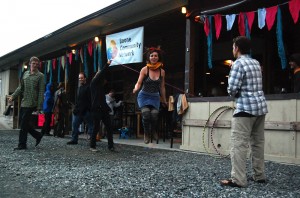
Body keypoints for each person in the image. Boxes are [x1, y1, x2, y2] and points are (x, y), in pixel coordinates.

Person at [220, 36, 268, 188]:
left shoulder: (238, 64)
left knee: (239, 144)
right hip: (260, 108)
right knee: (258, 143)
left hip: (244, 109)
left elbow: (232, 90)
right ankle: (259, 176)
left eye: (233, 47)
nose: (233, 49)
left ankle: (238, 180)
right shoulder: (256, 63)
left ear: (237, 48)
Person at [8, 56, 45, 150]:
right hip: (24, 102)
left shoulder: (40, 76)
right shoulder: (25, 74)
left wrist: (39, 106)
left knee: (24, 125)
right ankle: (37, 135)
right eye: (33, 63)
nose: (35, 65)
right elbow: (20, 88)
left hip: (33, 103)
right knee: (22, 122)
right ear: (29, 64)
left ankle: (22, 144)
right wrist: (13, 96)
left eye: (37, 64)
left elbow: (41, 91)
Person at [133, 47, 167, 144]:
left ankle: (153, 130)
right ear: (149, 57)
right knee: (146, 114)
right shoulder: (145, 69)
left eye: (155, 56)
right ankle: (146, 133)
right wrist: (135, 88)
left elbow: (162, 87)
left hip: (155, 96)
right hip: (143, 96)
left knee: (155, 115)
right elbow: (138, 83)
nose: (154, 57)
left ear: (158, 57)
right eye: (152, 56)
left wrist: (164, 100)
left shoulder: (162, 72)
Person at [90, 66, 115, 151]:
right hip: (96, 109)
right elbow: (100, 74)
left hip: (103, 109)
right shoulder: (93, 84)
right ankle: (92, 146)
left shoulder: (100, 87)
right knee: (96, 128)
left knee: (109, 127)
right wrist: (107, 64)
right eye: (98, 75)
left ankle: (110, 146)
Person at [67, 72, 93, 145]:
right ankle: (74, 139)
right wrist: (75, 108)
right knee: (75, 125)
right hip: (78, 111)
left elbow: (90, 100)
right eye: (79, 78)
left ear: (85, 78)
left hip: (86, 111)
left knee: (91, 126)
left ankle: (92, 140)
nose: (80, 79)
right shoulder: (78, 88)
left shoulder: (88, 87)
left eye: (81, 78)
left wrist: (89, 109)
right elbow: (78, 100)